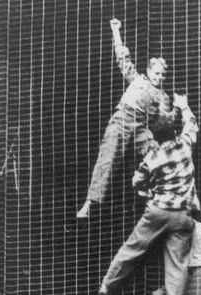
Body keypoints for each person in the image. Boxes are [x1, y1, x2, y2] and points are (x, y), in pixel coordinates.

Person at [97, 94, 197, 295]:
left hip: (158, 211)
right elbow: (191, 124)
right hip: (182, 215)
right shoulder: (186, 145)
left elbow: (136, 181)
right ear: (173, 131)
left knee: (132, 248)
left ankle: (107, 285)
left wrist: (147, 192)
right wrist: (183, 105)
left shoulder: (153, 157)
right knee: (177, 261)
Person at [77, 18, 170, 218]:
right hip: (122, 119)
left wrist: (173, 112)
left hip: (141, 127)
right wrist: (116, 31)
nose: (159, 78)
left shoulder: (163, 96)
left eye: (163, 75)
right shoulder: (137, 80)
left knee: (156, 153)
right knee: (108, 158)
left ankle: (150, 190)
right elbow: (122, 58)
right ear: (149, 71)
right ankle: (90, 202)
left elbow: (163, 124)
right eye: (156, 73)